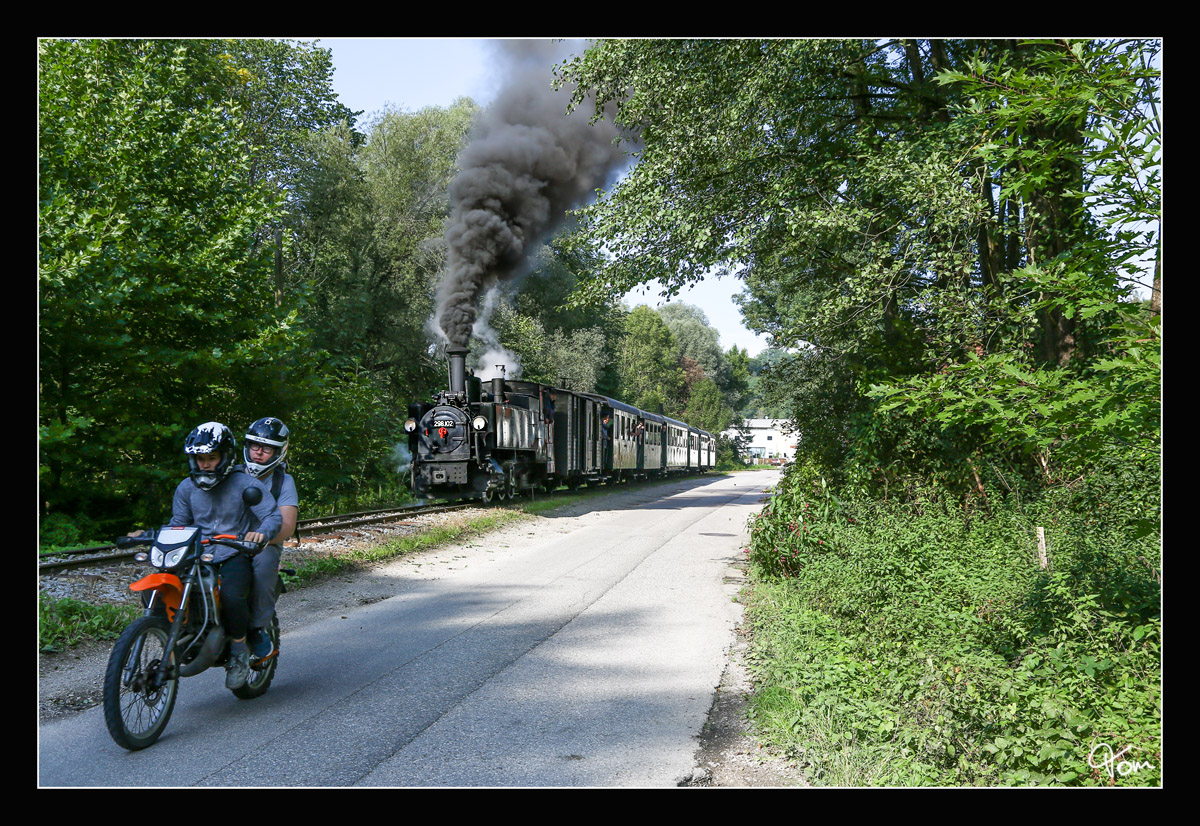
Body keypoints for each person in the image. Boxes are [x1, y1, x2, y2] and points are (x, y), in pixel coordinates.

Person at [161, 422, 282, 690]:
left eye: (211, 458)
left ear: (225, 457)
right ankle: (170, 634)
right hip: (195, 555)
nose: (204, 464)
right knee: (162, 586)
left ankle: (239, 649)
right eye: (199, 458)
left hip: (233, 552)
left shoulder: (246, 484)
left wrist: (260, 534)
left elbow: (272, 516)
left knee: (231, 596)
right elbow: (178, 523)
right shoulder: (185, 488)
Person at [240, 417, 298, 663]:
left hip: (264, 544)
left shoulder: (283, 481)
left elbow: (287, 526)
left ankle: (258, 628)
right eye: (255, 446)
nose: (259, 453)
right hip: (225, 539)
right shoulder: (231, 473)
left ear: (279, 451)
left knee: (264, 564)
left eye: (266, 448)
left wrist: (262, 538)